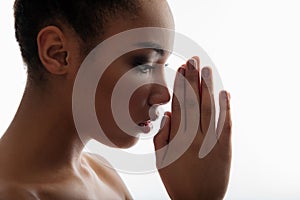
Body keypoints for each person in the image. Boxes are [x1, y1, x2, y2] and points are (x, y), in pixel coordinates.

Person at [0, 0, 232, 199]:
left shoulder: (105, 178)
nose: (163, 95)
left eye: (164, 66)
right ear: (58, 53)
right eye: (142, 64)